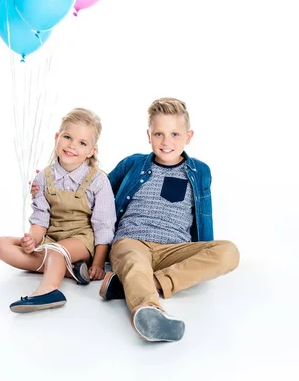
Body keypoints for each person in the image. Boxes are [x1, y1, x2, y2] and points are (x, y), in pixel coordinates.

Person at [98, 97, 240, 342]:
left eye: (175, 134)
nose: (166, 142)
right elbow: (96, 192)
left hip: (173, 250)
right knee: (134, 261)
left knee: (229, 252)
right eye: (159, 134)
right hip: (133, 241)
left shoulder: (199, 171)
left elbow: (204, 217)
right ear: (148, 135)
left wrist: (202, 254)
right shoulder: (133, 164)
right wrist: (52, 183)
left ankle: (140, 283)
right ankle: (151, 312)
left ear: (189, 136)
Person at [0, 107, 116, 313]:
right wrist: (32, 238)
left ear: (91, 151)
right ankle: (72, 272)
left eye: (82, 143)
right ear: (57, 137)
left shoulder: (98, 180)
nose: (72, 145)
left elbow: (104, 225)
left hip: (81, 241)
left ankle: (48, 291)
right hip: (51, 239)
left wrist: (98, 263)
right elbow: (40, 220)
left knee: (55, 251)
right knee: (0, 245)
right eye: (67, 137)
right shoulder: (43, 178)